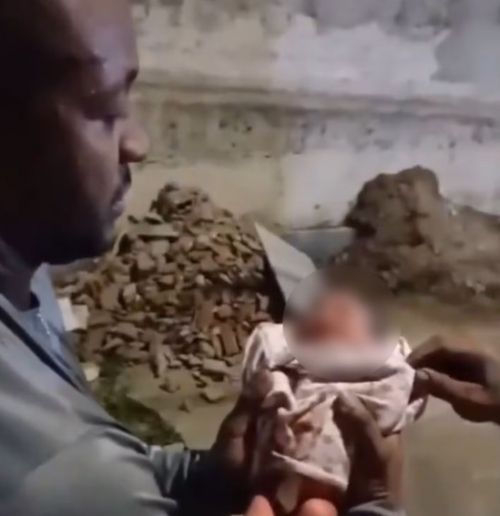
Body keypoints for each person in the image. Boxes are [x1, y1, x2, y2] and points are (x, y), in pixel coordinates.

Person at [0, 1, 402, 515]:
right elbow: (99, 483)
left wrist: (208, 477)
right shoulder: (63, 474)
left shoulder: (25, 276)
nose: (138, 143)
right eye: (103, 107)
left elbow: (117, 470)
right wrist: (378, 505)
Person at [242, 289, 424, 516]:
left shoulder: (373, 373)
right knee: (261, 505)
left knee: (317, 510)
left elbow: (400, 394)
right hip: (273, 477)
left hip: (323, 484)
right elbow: (265, 363)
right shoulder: (293, 363)